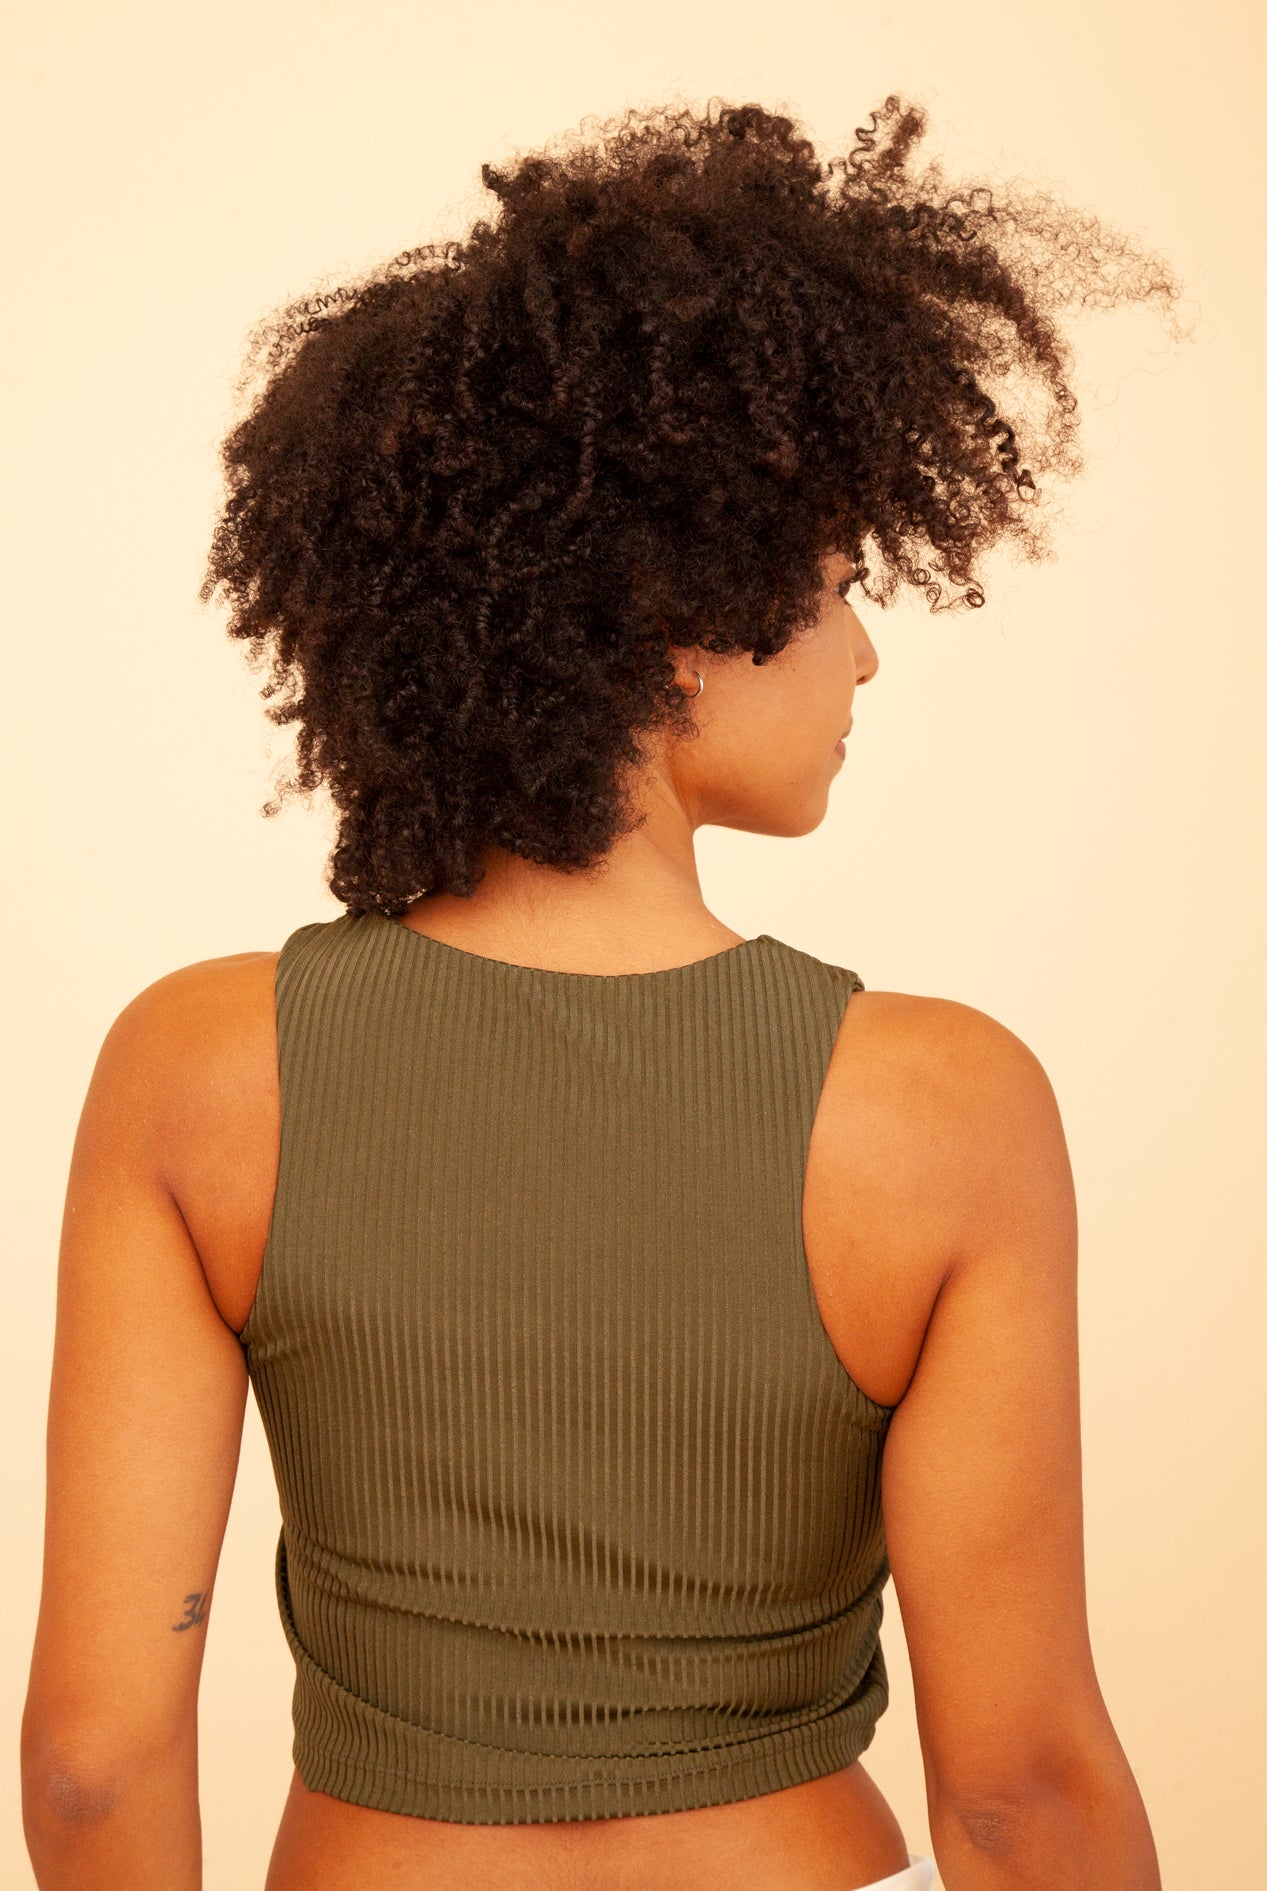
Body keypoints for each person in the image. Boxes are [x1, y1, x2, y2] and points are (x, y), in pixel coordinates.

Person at [21, 94, 1182, 1891]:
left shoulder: (202, 1068)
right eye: (838, 587)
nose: (866, 651)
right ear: (679, 618)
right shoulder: (942, 1109)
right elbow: (1022, 1784)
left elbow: (93, 1768)